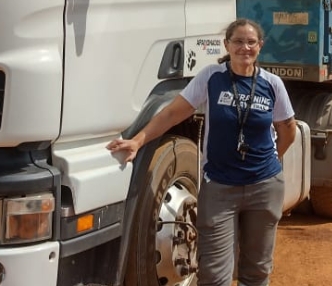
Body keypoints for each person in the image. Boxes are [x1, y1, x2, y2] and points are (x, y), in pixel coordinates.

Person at [107, 18, 297, 286]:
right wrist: (138, 141)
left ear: (260, 46)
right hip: (220, 188)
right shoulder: (211, 78)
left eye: (251, 42)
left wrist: (275, 159)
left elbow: (288, 129)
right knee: (214, 275)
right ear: (227, 45)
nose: (245, 47)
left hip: (263, 187)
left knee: (257, 270)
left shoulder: (272, 84)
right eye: (238, 41)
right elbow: (173, 113)